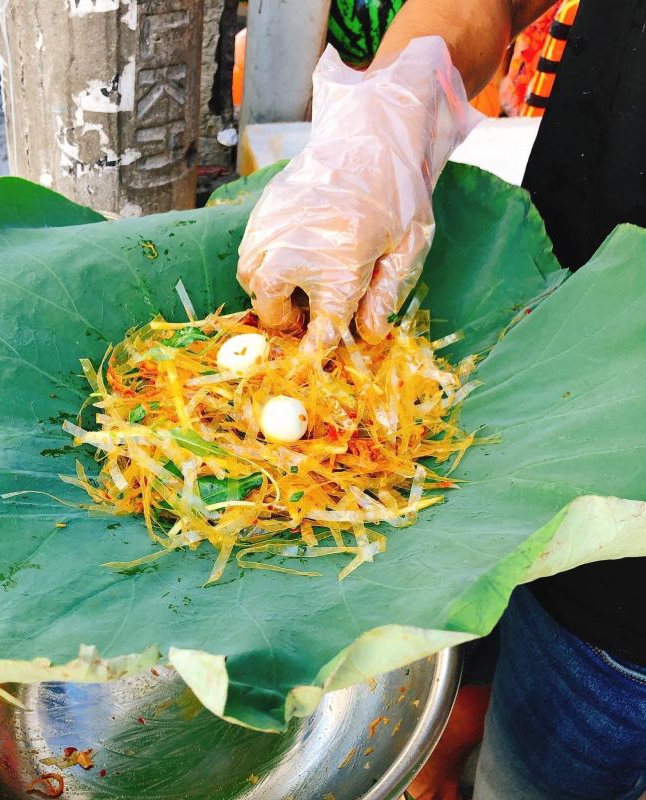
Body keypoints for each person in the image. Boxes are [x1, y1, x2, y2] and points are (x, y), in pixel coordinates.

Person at [236, 1, 646, 798]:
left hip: (625, 598)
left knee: (539, 771)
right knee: (481, 660)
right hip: (534, 327)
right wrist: (392, 108)